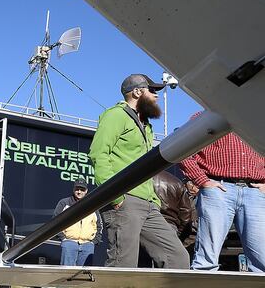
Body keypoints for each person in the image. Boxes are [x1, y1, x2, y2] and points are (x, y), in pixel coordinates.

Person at [88, 74, 189, 269]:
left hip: (149, 204)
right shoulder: (116, 115)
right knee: (123, 266)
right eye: (152, 91)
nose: (156, 96)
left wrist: (154, 200)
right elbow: (98, 154)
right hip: (124, 200)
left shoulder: (146, 125)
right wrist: (115, 197)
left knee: (178, 258)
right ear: (137, 92)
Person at [179, 116, 265, 272]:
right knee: (206, 259)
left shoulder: (257, 119)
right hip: (218, 188)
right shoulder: (205, 117)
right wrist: (203, 181)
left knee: (262, 259)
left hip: (255, 191)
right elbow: (182, 149)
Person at [53, 178, 102, 266]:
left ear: (86, 191)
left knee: (84, 275)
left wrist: (94, 241)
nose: (79, 192)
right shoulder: (64, 203)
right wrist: (63, 238)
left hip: (87, 244)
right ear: (73, 189)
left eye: (82, 189)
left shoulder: (93, 205)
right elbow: (55, 222)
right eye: (77, 189)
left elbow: (99, 225)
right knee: (66, 274)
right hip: (69, 242)